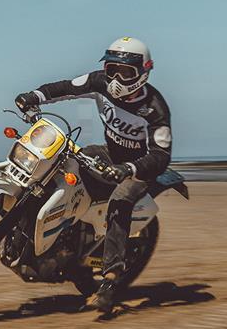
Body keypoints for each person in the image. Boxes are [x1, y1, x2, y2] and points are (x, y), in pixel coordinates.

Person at [14, 36, 172, 311]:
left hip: (138, 166)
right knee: (60, 166)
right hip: (108, 153)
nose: (117, 79)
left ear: (144, 71)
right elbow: (65, 87)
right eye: (113, 69)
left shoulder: (155, 109)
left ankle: (110, 281)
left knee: (120, 201)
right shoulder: (100, 83)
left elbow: (161, 156)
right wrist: (34, 96)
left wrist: (129, 169)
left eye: (126, 72)